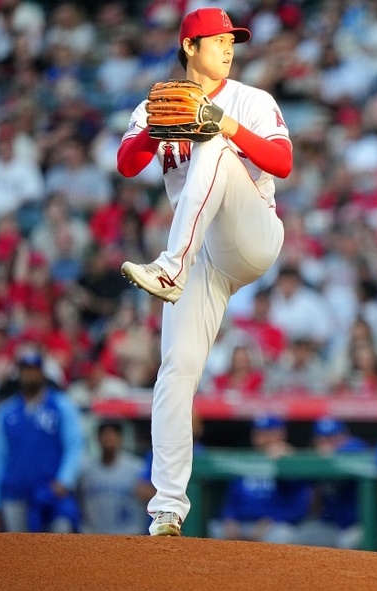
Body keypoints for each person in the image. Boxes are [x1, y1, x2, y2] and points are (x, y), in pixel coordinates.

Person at [114, 8, 293, 537]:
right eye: (218, 39)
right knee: (176, 370)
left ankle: (170, 268)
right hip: (203, 255)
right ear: (190, 46)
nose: (229, 47)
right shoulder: (158, 101)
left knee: (214, 141)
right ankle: (167, 509)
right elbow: (126, 164)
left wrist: (224, 123)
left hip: (250, 232)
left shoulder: (250, 99)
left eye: (232, 40)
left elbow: (282, 163)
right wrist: (152, 131)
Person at [0, 350, 84, 533]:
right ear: (19, 374)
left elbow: (75, 444)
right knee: (19, 551)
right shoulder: (6, 412)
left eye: (34, 370)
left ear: (42, 373)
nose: (30, 375)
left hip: (50, 492)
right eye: (26, 370)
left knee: (60, 539)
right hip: (15, 492)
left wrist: (65, 479)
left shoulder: (60, 405)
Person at [207, 415, 312, 544]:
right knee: (215, 529)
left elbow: (299, 506)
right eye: (258, 433)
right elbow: (231, 502)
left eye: (268, 433)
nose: (262, 438)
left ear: (281, 434)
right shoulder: (245, 461)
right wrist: (230, 519)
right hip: (243, 524)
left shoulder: (289, 461)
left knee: (283, 535)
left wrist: (273, 520)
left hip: (275, 526)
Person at [295, 417, 370, 550]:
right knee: (297, 539)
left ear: (344, 436)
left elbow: (357, 447)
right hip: (331, 526)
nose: (327, 443)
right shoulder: (316, 459)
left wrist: (334, 454)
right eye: (322, 439)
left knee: (347, 544)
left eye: (333, 438)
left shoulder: (355, 447)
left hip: (363, 525)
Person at [77, 421, 147, 535]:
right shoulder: (85, 470)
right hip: (93, 535)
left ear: (121, 439)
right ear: (97, 439)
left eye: (113, 437)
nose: (109, 440)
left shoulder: (137, 468)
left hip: (129, 534)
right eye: (105, 436)